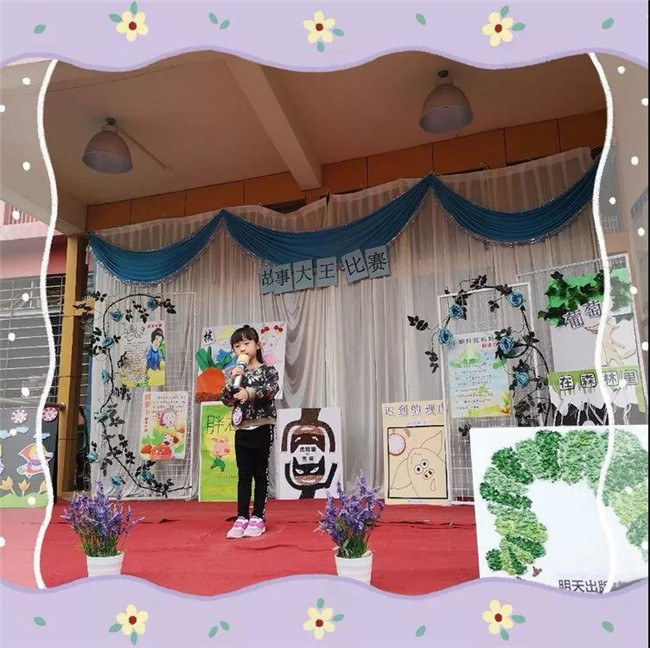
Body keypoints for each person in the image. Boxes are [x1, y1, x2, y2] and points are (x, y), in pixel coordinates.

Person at [221, 325, 279, 539]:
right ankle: (242, 516)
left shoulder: (268, 371)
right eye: (237, 346)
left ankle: (258, 517)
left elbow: (271, 390)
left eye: (247, 343)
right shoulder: (235, 373)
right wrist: (233, 381)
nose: (242, 349)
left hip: (263, 426)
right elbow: (226, 400)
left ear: (258, 345)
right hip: (242, 428)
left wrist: (250, 393)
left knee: (260, 473)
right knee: (244, 474)